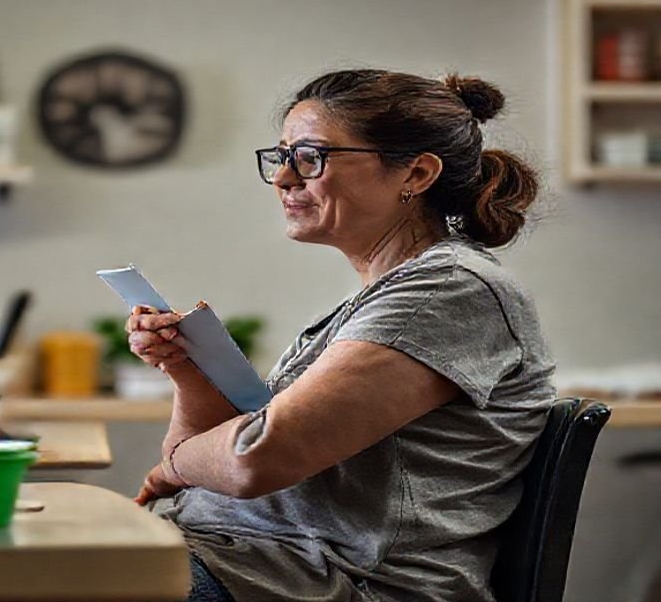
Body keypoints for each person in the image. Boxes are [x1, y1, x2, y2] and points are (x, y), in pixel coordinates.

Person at [126, 68, 556, 602]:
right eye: (282, 157)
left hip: (334, 584)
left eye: (311, 157)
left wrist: (175, 467)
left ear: (416, 174)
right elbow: (218, 457)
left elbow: (251, 460)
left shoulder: (447, 290)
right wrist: (185, 370)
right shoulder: (388, 297)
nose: (285, 179)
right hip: (252, 565)